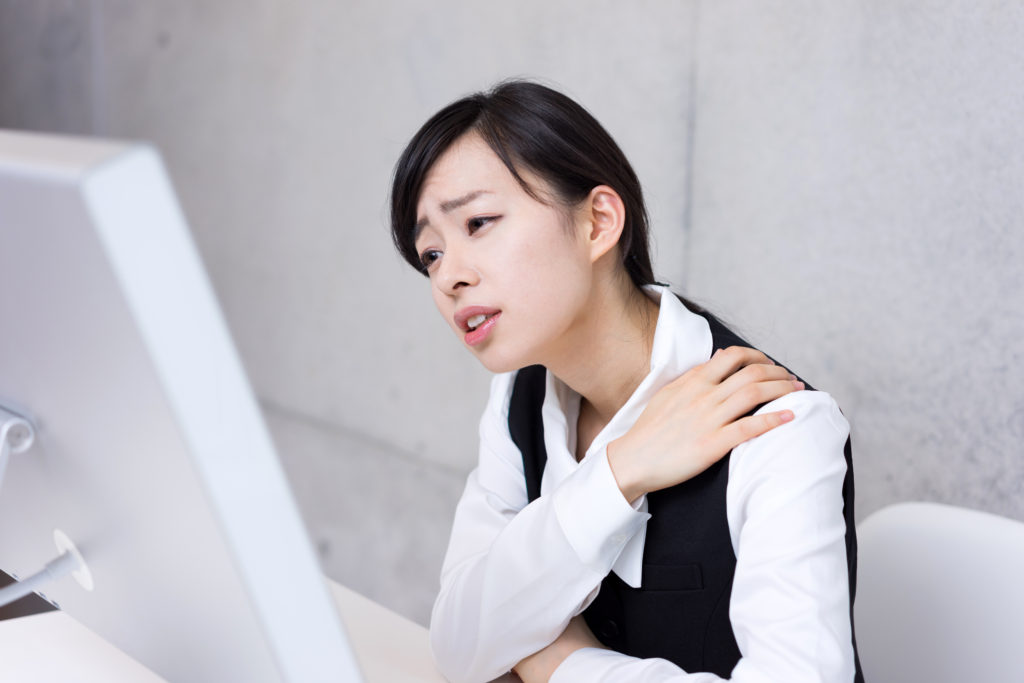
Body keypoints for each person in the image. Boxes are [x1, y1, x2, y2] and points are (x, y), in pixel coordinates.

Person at [389, 79, 862, 683]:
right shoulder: (518, 399)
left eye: (478, 222)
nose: (448, 277)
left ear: (598, 222)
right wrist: (619, 471)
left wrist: (561, 664)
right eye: (430, 254)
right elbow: (458, 643)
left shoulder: (777, 427)